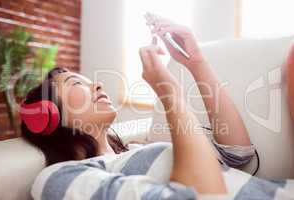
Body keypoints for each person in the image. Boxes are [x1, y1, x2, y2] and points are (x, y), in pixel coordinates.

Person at [21, 20, 292, 200]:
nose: (97, 84)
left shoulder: (140, 150)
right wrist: (167, 90)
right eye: (75, 83)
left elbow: (239, 154)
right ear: (49, 116)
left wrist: (196, 63)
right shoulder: (60, 178)